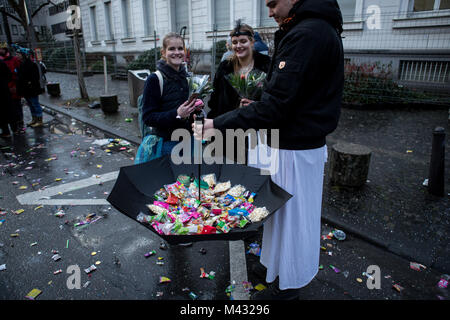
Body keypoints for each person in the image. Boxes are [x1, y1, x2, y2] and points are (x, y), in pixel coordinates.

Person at [193, 0, 344, 300]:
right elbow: (287, 93)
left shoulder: (308, 33)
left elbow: (277, 106)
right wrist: (260, 103)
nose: (270, 11)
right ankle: (276, 269)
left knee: (293, 221)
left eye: (273, 3)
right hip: (292, 144)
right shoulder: (307, 28)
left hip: (295, 149)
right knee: (279, 217)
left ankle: (290, 283)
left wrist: (216, 125)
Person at [208, 21, 271, 164]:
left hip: (257, 132)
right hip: (228, 132)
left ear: (252, 41)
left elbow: (273, 97)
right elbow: (215, 100)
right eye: (235, 42)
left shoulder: (267, 65)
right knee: (231, 174)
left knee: (255, 173)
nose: (238, 46)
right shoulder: (225, 67)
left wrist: (256, 105)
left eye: (243, 41)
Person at [139, 32, 203, 161]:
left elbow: (188, 113)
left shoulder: (188, 78)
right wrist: (177, 114)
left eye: (180, 48)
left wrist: (196, 108)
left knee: (189, 179)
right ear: (163, 53)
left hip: (189, 142)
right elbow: (148, 117)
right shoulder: (155, 79)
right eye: (171, 49)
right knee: (171, 181)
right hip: (167, 145)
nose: (177, 52)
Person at [16, 48, 45, 128]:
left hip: (32, 89)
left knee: (35, 104)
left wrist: (29, 83)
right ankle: (34, 119)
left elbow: (35, 77)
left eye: (18, 54)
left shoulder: (31, 64)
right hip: (26, 89)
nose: (17, 56)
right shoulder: (21, 64)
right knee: (30, 104)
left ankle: (39, 120)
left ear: (24, 55)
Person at [0, 44, 25, 134]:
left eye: (2, 49)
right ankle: (10, 129)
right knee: (8, 110)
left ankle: (18, 125)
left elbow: (16, 74)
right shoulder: (2, 61)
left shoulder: (13, 60)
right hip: (6, 89)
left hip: (10, 88)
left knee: (15, 108)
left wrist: (14, 85)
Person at [0, 59, 12, 138]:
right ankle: (10, 129)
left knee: (2, 113)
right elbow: (9, 75)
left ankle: (6, 131)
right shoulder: (2, 62)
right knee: (6, 111)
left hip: (2, 90)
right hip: (4, 89)